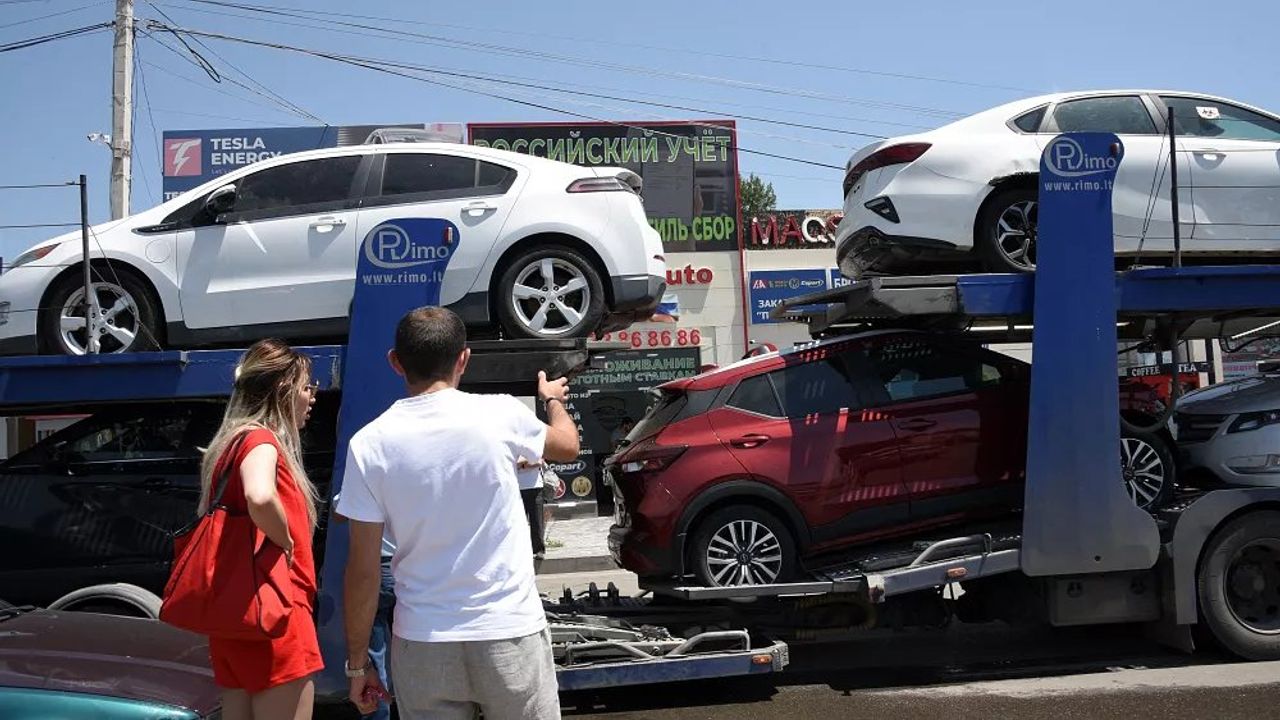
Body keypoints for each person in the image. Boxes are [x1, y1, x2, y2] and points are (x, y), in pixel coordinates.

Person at [339, 307, 579, 720]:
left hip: (423, 642)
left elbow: (362, 571)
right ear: (463, 359)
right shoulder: (500, 413)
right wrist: (553, 401)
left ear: (395, 362)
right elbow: (567, 446)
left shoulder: (369, 445)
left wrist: (358, 665)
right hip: (509, 632)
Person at [200, 339, 324, 720]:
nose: (312, 398)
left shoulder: (227, 446)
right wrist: (284, 539)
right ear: (284, 390)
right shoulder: (261, 440)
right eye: (307, 387)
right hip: (277, 615)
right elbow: (259, 494)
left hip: (235, 618)